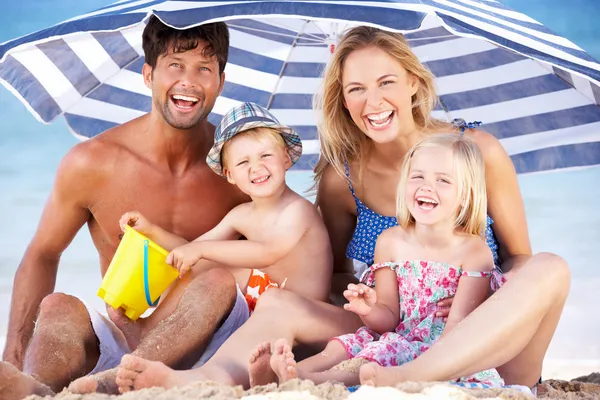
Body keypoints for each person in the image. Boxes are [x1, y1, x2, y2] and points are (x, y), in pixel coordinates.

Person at [106, 25, 569, 392]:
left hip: (480, 343)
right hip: (389, 333)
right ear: (342, 100)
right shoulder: (342, 176)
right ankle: (202, 380)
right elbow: (334, 277)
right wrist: (375, 300)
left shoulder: (476, 153)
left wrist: (478, 296)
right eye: (355, 89)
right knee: (281, 303)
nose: (373, 102)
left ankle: (420, 373)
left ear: (413, 82)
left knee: (549, 267)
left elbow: (519, 258)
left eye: (386, 82)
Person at [0, 16, 251, 399]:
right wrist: (14, 354)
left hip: (209, 343)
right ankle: (34, 390)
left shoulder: (240, 168)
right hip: (122, 332)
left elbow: (277, 251)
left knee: (217, 281)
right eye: (175, 66)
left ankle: (110, 384)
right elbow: (43, 253)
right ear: (148, 74)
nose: (189, 81)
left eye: (204, 68)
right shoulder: (93, 163)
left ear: (221, 81)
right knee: (58, 308)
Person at [115, 102, 333, 393]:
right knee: (204, 264)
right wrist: (152, 231)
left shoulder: (298, 211)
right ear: (229, 174)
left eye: (265, 155)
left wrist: (201, 251)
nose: (256, 167)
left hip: (313, 320)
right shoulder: (241, 215)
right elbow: (193, 249)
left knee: (218, 262)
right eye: (243, 163)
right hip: (268, 320)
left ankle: (203, 377)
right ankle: (150, 328)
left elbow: (269, 251)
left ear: (285, 159)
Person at [258, 134, 505, 388]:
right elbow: (388, 317)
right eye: (417, 176)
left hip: (439, 351)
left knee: (377, 361)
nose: (426, 187)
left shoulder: (474, 252)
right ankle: (288, 372)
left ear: (466, 195)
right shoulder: (390, 242)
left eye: (443, 180)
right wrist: (368, 310)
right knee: (343, 347)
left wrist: (419, 356)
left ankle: (308, 379)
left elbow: (458, 327)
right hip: (394, 335)